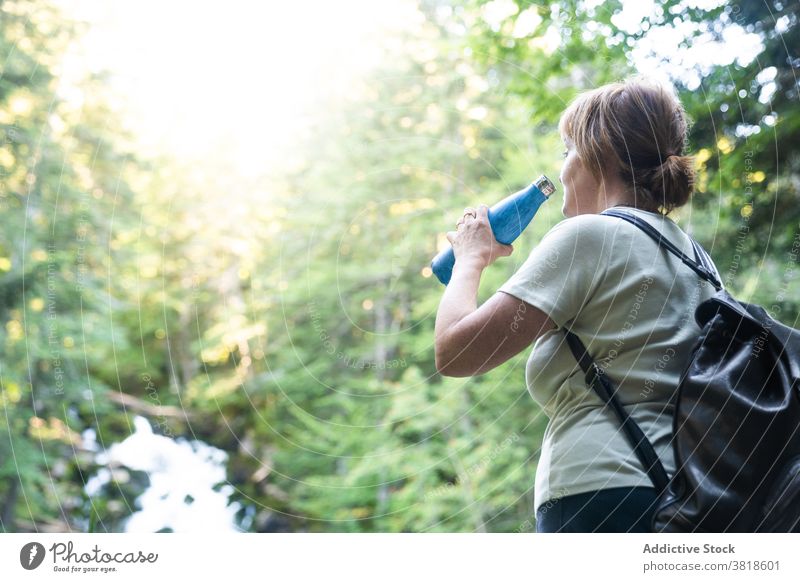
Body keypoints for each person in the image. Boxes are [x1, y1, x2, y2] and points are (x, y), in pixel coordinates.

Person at [433, 77, 722, 533]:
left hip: (598, 495)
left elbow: (454, 352)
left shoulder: (589, 236)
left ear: (596, 153)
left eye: (567, 151)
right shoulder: (700, 262)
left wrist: (470, 259)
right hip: (691, 496)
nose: (563, 168)